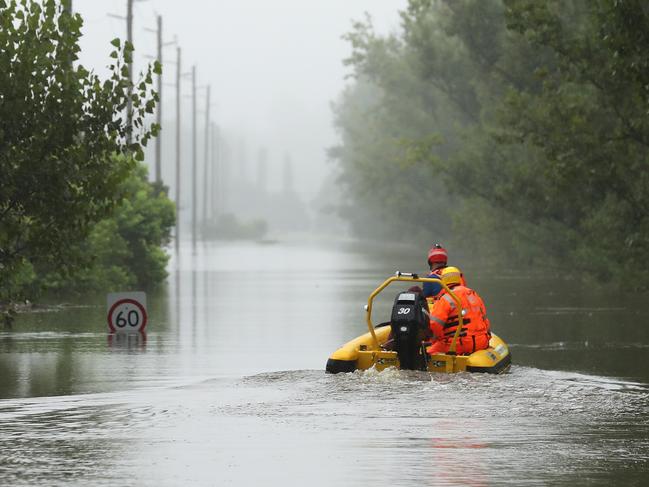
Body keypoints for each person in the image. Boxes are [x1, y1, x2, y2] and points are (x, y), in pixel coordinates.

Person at [427, 266, 491, 355]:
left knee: (427, 354)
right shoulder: (473, 294)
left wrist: (436, 340)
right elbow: (485, 321)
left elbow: (434, 325)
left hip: (458, 344)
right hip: (481, 343)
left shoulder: (445, 298)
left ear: (443, 280)